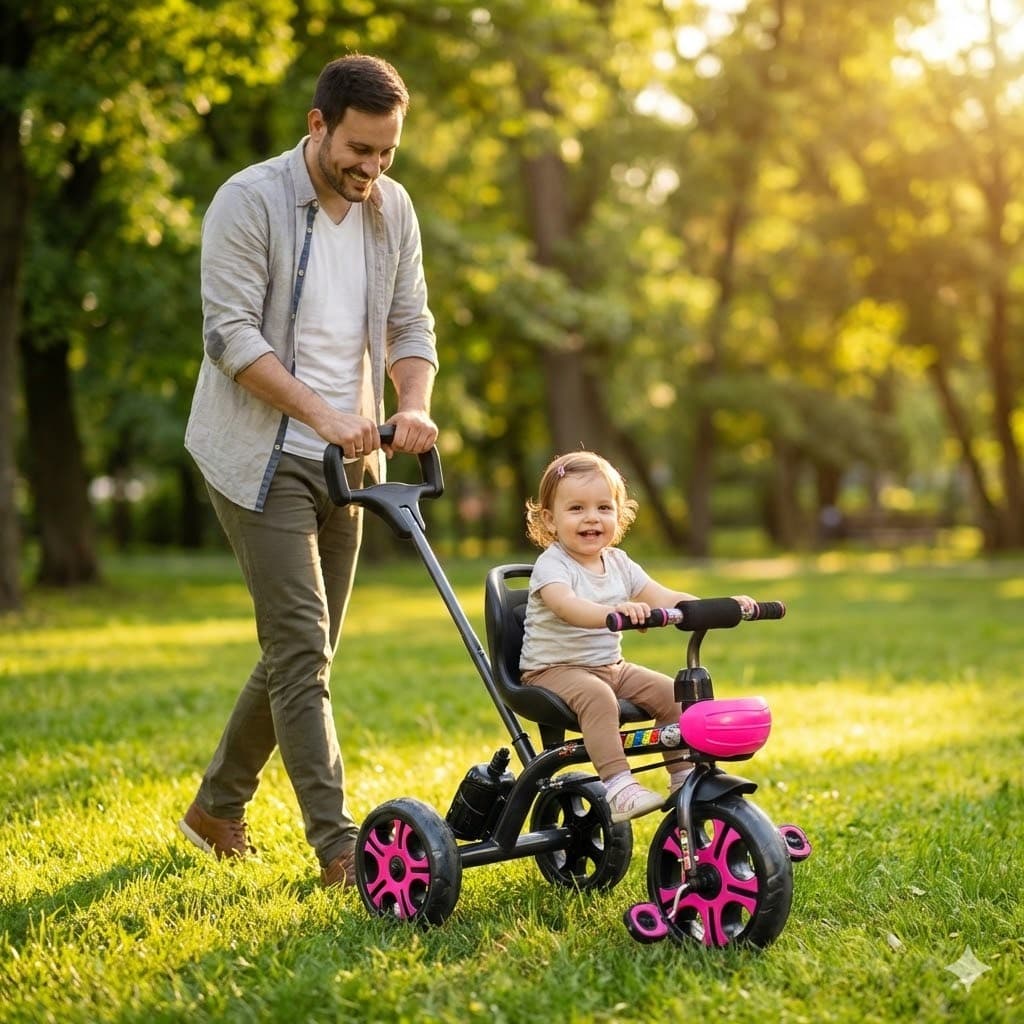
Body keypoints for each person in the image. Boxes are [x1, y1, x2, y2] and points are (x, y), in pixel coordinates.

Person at [180, 54, 439, 888]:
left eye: (387, 152)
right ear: (317, 124)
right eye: (360, 149)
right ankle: (339, 850)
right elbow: (229, 336)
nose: (373, 168)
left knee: (307, 647)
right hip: (261, 454)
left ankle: (215, 807)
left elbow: (410, 320)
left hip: (350, 462)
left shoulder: (391, 208)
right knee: (301, 651)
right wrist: (323, 415)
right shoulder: (249, 200)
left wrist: (413, 403)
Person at [519, 452, 755, 822]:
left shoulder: (619, 563)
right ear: (550, 519)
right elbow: (567, 606)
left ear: (619, 514)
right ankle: (618, 786)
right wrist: (613, 613)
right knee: (598, 697)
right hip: (552, 671)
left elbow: (664, 596)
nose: (592, 518)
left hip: (610, 667)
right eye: (577, 508)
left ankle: (683, 777)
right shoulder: (553, 565)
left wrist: (720, 606)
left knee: (673, 694)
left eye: (603, 507)